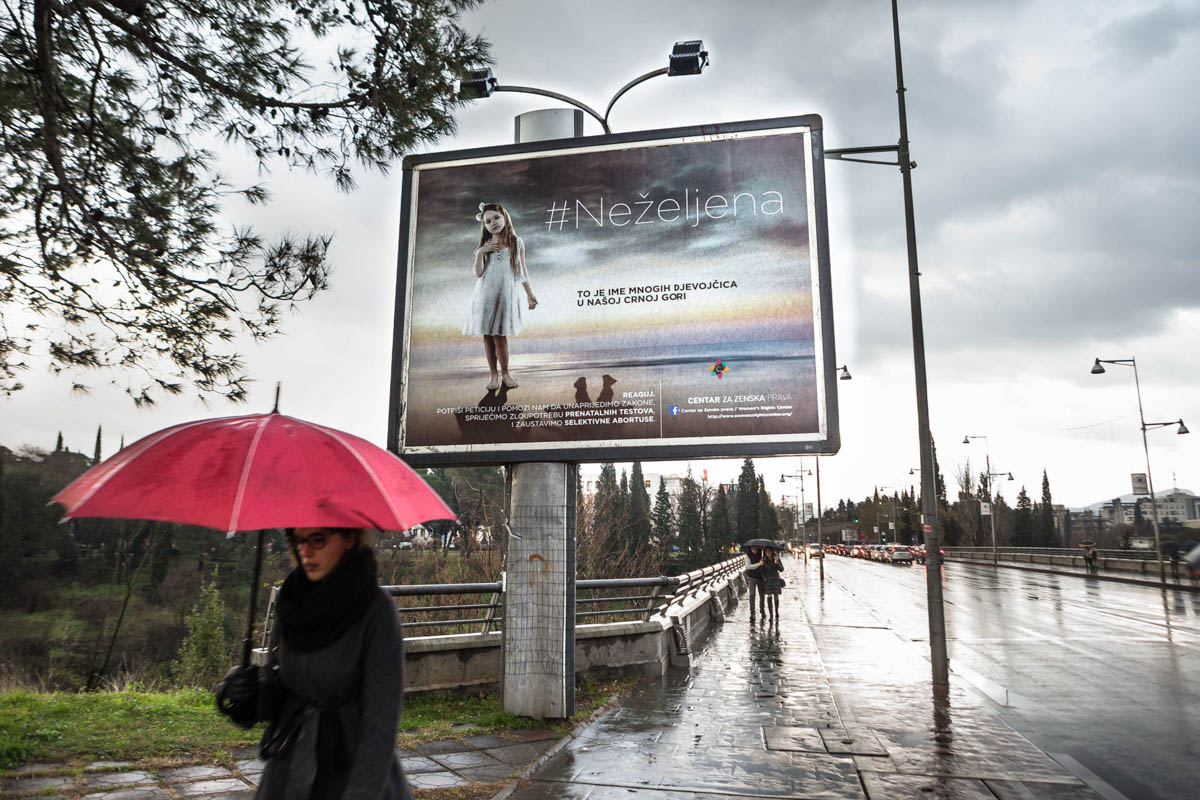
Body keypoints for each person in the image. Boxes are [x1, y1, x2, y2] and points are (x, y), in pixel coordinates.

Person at [217, 527, 411, 800]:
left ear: (349, 538)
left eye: (318, 540)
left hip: (351, 772)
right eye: (298, 540)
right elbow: (278, 690)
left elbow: (381, 723)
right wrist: (246, 691)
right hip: (287, 772)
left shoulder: (377, 611)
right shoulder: (293, 601)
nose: (305, 551)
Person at [462, 202, 538, 391]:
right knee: (487, 335)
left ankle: (505, 373)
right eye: (488, 221)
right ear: (484, 226)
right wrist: (480, 253)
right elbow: (478, 273)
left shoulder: (516, 242)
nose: (493, 223)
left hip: (505, 295)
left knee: (499, 335)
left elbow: (522, 271)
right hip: (485, 294)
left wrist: (530, 294)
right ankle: (493, 375)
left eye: (496, 217)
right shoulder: (484, 245)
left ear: (505, 217)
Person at [760, 547, 785, 622]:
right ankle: (771, 615)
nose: (768, 553)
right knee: (769, 597)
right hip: (768, 581)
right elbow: (761, 572)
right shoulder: (763, 560)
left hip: (776, 580)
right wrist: (765, 579)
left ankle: (776, 611)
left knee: (776, 598)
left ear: (772, 552)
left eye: (769, 551)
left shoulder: (776, 558)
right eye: (767, 551)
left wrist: (776, 563)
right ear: (765, 552)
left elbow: (781, 569)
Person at [744, 545, 765, 624]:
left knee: (762, 595)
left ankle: (762, 610)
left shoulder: (761, 553)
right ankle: (752, 612)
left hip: (760, 577)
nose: (754, 549)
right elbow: (748, 566)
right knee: (752, 594)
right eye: (753, 548)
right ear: (750, 548)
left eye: (756, 548)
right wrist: (759, 564)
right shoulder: (747, 555)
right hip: (751, 577)